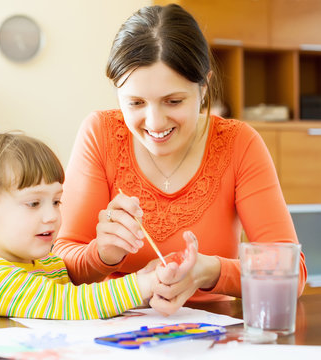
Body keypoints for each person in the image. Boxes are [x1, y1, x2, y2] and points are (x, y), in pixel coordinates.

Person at [53, 4, 307, 316]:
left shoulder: (240, 143)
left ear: (203, 87)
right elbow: (59, 264)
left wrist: (210, 271)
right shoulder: (100, 133)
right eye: (135, 103)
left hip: (214, 334)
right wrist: (102, 255)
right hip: (116, 331)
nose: (155, 122)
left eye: (173, 101)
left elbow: (291, 273)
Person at [0, 131, 164, 319]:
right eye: (33, 203)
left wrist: (147, 293)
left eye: (56, 201)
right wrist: (142, 284)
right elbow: (70, 304)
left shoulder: (50, 264)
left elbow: (87, 306)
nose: (51, 215)